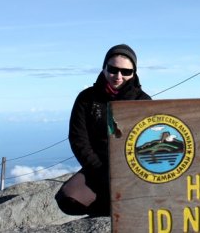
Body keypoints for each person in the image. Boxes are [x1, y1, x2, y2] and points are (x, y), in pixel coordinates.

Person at [55, 44, 151, 217]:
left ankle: (119, 206)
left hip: (134, 170)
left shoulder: (143, 101)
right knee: (67, 200)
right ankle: (114, 206)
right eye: (113, 69)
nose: (118, 76)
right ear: (104, 68)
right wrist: (101, 171)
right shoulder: (87, 98)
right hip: (98, 167)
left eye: (126, 72)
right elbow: (78, 139)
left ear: (134, 73)